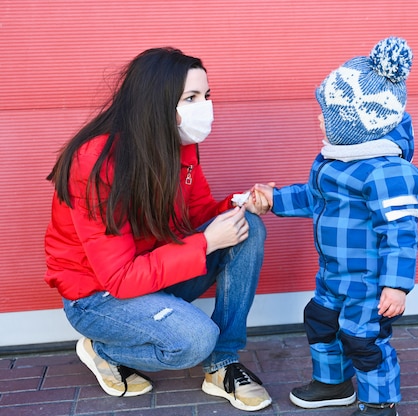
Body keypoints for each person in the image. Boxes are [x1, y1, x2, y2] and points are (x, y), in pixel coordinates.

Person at [44, 47, 273, 412]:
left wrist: (241, 203)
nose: (205, 106)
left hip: (151, 269)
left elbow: (199, 212)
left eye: (207, 96)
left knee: (249, 228)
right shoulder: (96, 164)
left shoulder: (179, 142)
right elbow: (118, 277)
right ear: (156, 102)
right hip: (98, 295)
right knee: (195, 340)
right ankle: (101, 349)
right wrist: (204, 243)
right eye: (192, 98)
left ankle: (223, 364)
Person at [255, 37, 418, 416]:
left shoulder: (388, 173)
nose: (318, 119)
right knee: (321, 321)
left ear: (354, 124)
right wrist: (274, 199)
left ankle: (380, 402)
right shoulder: (334, 162)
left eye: (327, 114)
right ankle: (332, 384)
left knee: (363, 340)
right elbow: (316, 199)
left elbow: (401, 233)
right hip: (332, 276)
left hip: (368, 285)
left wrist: (396, 285)